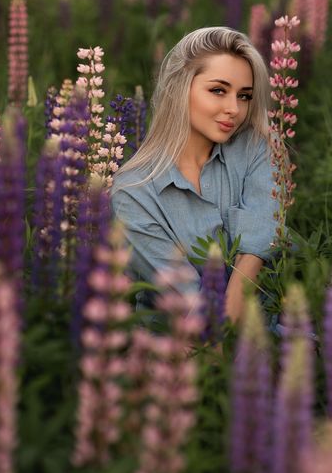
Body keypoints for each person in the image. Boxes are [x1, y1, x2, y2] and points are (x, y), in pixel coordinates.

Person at [111, 26, 278, 325]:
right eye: (218, 90)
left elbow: (256, 250)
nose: (233, 109)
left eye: (244, 96)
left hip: (260, 340)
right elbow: (186, 298)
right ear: (180, 87)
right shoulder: (132, 191)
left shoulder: (257, 147)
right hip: (176, 355)